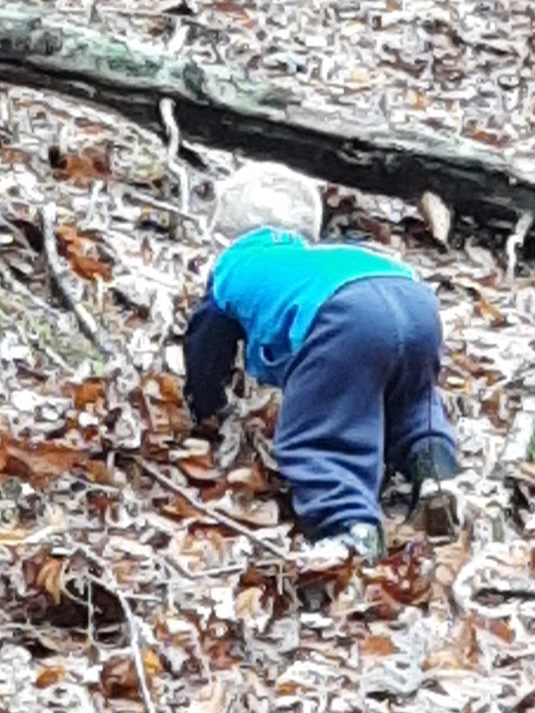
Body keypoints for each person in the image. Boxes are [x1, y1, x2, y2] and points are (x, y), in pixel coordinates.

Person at [183, 161, 458, 562]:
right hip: (413, 297)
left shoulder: (235, 263)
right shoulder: (325, 256)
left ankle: (350, 528)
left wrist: (203, 406)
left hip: (342, 314)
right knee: (410, 397)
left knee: (321, 431)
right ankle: (436, 474)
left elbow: (206, 343)